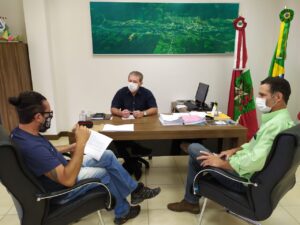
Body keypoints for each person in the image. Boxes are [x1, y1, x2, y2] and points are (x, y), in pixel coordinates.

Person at [9, 91, 161, 225]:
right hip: (64, 188)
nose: (50, 117)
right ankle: (122, 212)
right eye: (48, 114)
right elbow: (67, 180)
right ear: (38, 117)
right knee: (103, 173)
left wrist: (70, 147)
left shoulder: (22, 134)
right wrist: (81, 143)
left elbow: (47, 152)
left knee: (107, 155)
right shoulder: (32, 147)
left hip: (63, 168)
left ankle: (135, 191)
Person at [167, 77, 295, 214]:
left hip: (241, 179)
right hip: (242, 167)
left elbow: (255, 161)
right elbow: (255, 145)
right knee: (198, 156)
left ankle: (190, 201)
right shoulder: (281, 120)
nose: (258, 98)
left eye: (262, 95)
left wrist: (222, 164)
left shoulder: (275, 126)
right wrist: (234, 150)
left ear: (278, 97)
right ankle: (190, 201)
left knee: (194, 148)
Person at [111, 71, 158, 180]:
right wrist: (120, 113)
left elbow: (154, 109)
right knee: (117, 140)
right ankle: (133, 163)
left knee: (136, 141)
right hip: (125, 126)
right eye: (130, 81)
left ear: (141, 83)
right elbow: (113, 108)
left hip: (142, 127)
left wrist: (143, 113)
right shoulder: (121, 92)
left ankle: (131, 163)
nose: (131, 83)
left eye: (135, 81)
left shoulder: (147, 93)